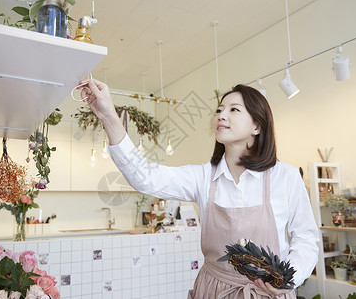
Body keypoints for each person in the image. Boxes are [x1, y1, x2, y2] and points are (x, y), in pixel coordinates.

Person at [80, 78, 319, 298]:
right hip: (213, 290)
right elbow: (145, 177)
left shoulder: (285, 176)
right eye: (219, 110)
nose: (221, 115)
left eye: (233, 109)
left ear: (257, 126)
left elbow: (306, 238)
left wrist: (288, 279)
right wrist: (109, 115)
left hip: (270, 294)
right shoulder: (203, 176)